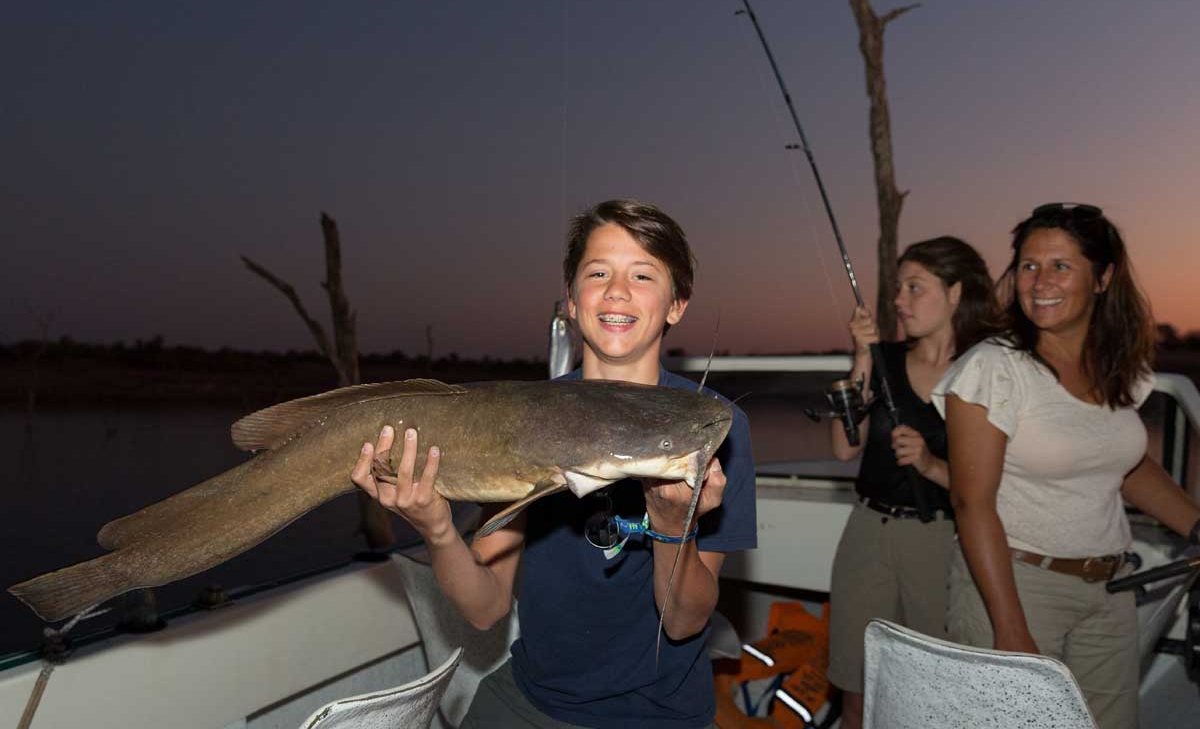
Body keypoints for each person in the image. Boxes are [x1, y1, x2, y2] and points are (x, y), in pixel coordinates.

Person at [351, 199, 757, 728]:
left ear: (677, 303)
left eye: (642, 274)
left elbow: (682, 624)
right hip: (530, 700)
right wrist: (437, 529)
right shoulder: (524, 418)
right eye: (597, 272)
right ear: (570, 300)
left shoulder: (717, 427)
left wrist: (673, 527)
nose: (616, 290)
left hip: (658, 715)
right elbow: (485, 608)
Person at [933, 203, 1200, 729]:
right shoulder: (995, 366)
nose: (1040, 282)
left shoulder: (1117, 366)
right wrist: (1008, 627)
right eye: (1029, 266)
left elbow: (1126, 467)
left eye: (1060, 266)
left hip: (1110, 589)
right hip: (1016, 585)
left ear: (1102, 278)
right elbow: (971, 502)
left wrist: (1196, 522)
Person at [825, 237, 998, 729]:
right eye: (898, 288)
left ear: (957, 293)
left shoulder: (986, 369)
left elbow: (999, 482)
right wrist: (862, 356)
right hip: (867, 535)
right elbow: (844, 447)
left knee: (935, 694)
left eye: (914, 287)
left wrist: (931, 466)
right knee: (856, 691)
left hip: (944, 540)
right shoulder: (883, 361)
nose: (899, 301)